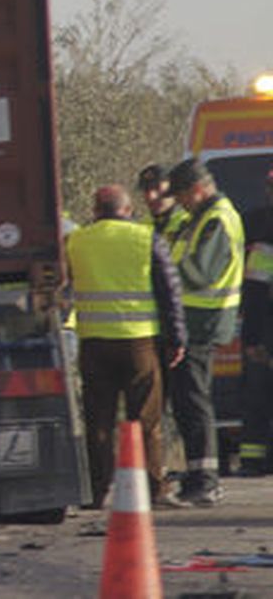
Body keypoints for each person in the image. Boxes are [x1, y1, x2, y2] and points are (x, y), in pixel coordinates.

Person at [64, 184, 185, 508]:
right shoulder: (147, 238)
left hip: (94, 343)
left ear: (94, 211)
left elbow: (63, 285)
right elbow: (170, 292)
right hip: (139, 342)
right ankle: (154, 489)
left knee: (98, 421)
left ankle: (96, 491)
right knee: (146, 419)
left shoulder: (76, 241)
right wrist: (177, 339)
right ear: (128, 210)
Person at [166, 157, 246, 505]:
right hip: (194, 321)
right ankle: (198, 475)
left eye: (181, 195)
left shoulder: (216, 220)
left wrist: (160, 272)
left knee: (194, 400)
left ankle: (205, 480)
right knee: (187, 400)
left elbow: (199, 272)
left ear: (197, 190)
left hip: (202, 321)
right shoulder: (201, 218)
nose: (178, 202)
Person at [238, 166, 273, 476]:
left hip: (265, 330)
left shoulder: (260, 230)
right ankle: (253, 459)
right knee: (257, 396)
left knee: (257, 396)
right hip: (266, 329)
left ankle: (253, 461)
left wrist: (251, 339)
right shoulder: (259, 228)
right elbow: (256, 290)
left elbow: (256, 290)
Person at [137, 163, 190, 244]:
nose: (151, 196)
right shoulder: (142, 226)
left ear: (173, 186)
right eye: (146, 190)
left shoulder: (189, 222)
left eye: (157, 187)